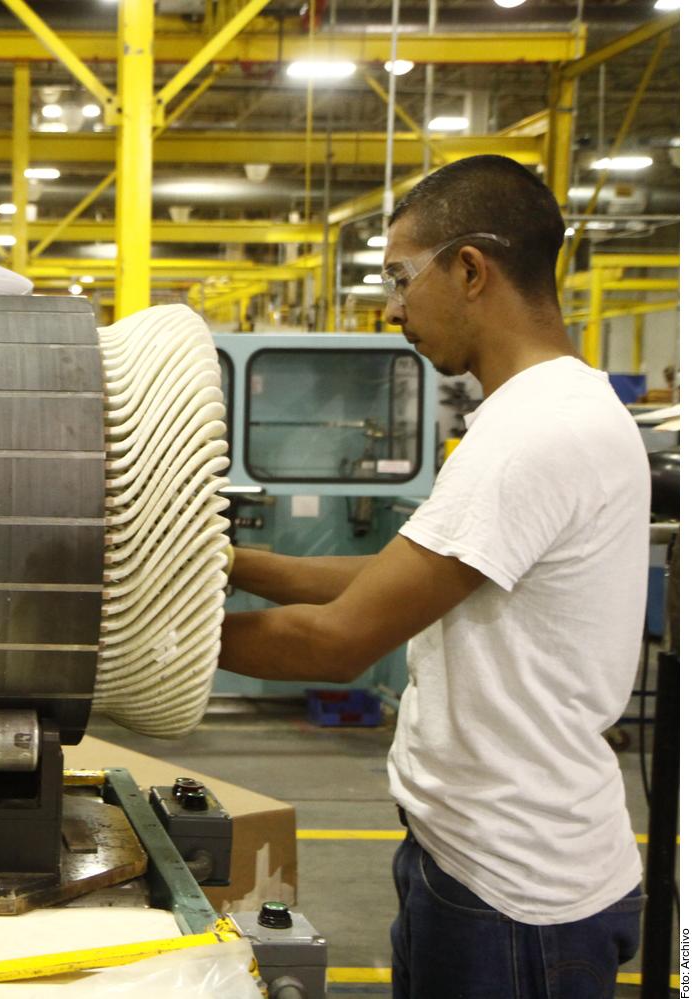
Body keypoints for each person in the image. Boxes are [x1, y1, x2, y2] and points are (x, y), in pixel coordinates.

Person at [218, 155, 647, 997]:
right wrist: (224, 563)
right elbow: (390, 578)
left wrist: (117, 641)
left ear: (470, 270)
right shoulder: (540, 414)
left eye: (399, 277)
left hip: (516, 894)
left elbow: (336, 643)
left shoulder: (533, 435)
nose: (391, 309)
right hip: (472, 859)